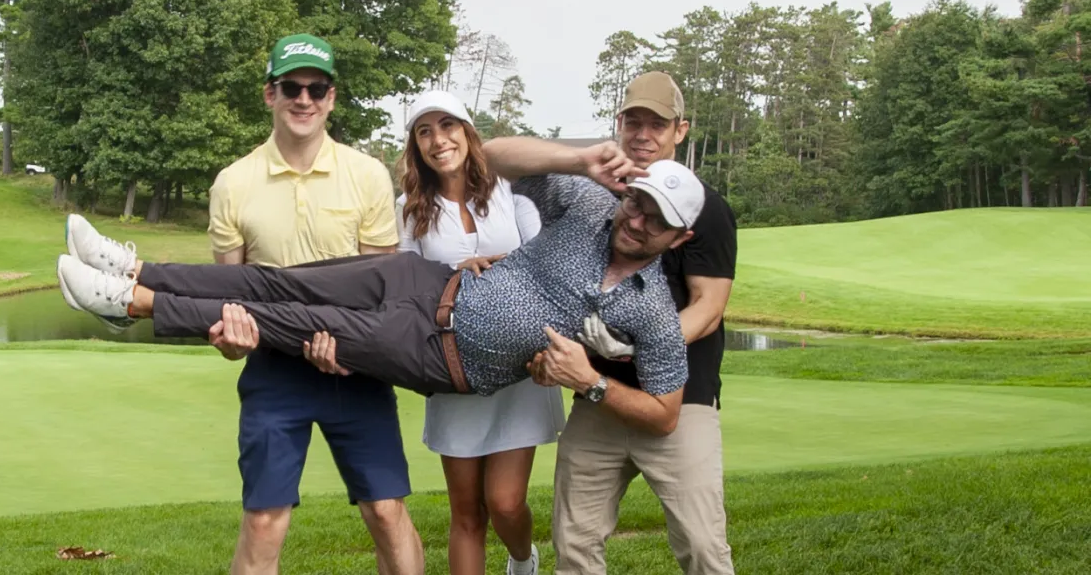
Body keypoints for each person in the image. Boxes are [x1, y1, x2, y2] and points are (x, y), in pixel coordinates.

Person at [53, 149, 702, 410]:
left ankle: (131, 305)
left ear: (681, 239)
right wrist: (579, 160)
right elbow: (495, 155)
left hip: (435, 352)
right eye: (637, 201)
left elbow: (666, 412)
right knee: (274, 284)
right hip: (425, 280)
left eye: (657, 219)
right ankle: (133, 267)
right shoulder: (591, 205)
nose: (637, 219)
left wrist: (589, 382)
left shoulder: (650, 312)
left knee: (285, 323)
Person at [118, 33, 425, 575]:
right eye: (291, 87)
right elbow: (228, 296)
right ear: (270, 94)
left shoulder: (368, 175)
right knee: (264, 520)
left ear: (332, 97)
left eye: (316, 88)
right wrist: (229, 343)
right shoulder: (233, 183)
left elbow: (384, 292)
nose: (303, 99)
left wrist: (352, 350)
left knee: (385, 509)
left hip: (354, 370)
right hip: (275, 371)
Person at [487, 71, 738, 574]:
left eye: (658, 125)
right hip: (595, 399)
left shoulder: (705, 209)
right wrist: (578, 159)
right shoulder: (594, 187)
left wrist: (632, 350)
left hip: (679, 401)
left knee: (703, 548)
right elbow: (491, 157)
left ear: (680, 131)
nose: (644, 135)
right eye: (634, 121)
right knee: (575, 546)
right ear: (619, 123)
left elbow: (708, 309)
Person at [350, 90, 564, 575]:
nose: (437, 139)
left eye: (447, 126)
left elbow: (542, 264)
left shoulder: (512, 193)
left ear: (468, 132)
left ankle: (522, 560)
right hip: (451, 371)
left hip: (519, 370)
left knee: (506, 503)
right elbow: (400, 291)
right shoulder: (408, 209)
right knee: (467, 512)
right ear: (415, 146)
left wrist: (493, 266)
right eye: (424, 131)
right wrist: (453, 276)